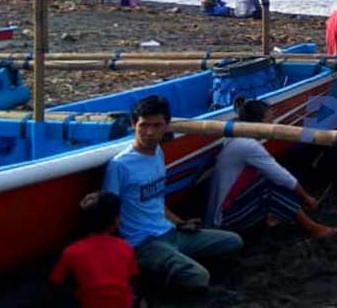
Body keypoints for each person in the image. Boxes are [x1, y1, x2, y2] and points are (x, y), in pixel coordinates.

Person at [103, 95, 241, 293]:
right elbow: (108, 213)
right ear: (134, 124)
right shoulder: (120, 165)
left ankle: (173, 263)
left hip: (170, 232)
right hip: (143, 243)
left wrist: (179, 223)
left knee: (233, 241)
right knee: (198, 277)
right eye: (143, 125)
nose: (149, 132)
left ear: (167, 125)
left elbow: (157, 201)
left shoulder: (158, 152)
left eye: (157, 125)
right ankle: (155, 276)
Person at [205, 99, 337, 239]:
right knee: (270, 185)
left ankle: (274, 214)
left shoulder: (237, 137)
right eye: (270, 120)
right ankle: (312, 228)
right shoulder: (247, 145)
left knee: (269, 178)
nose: (272, 125)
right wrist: (307, 198)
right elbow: (283, 177)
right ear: (259, 123)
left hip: (228, 209)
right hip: (224, 220)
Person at [47, 192, 141, 308]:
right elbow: (133, 278)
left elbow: (54, 282)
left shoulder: (71, 252)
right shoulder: (126, 247)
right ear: (116, 222)